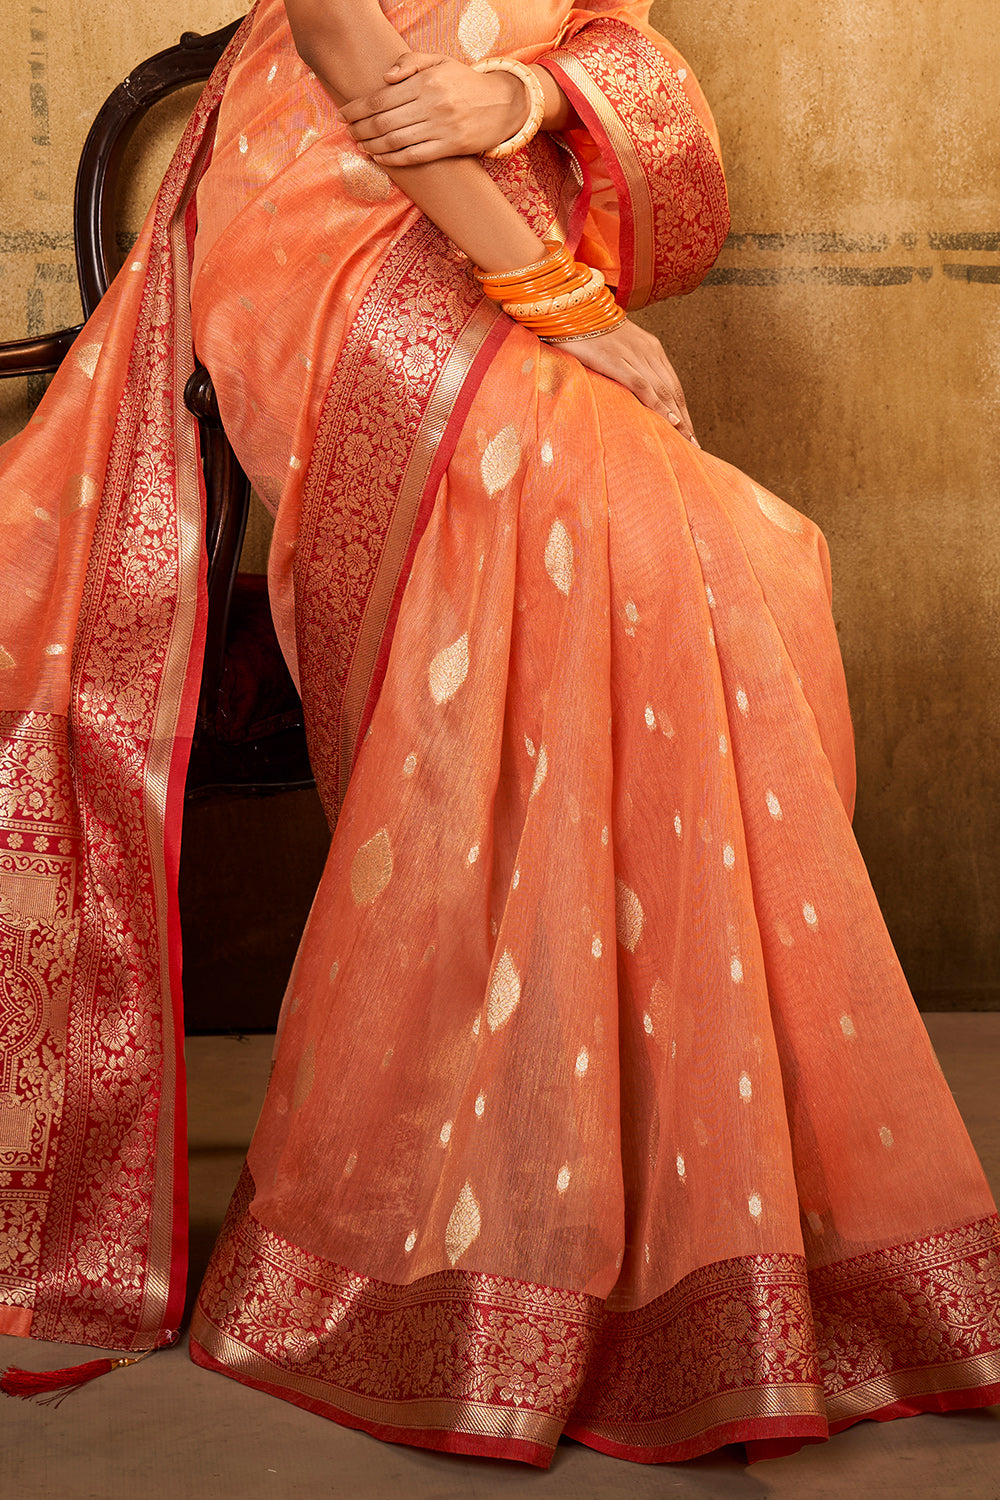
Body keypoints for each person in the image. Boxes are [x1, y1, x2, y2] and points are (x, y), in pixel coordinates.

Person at [1, 0, 998, 1469]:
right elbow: (355, 58)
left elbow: (608, 48)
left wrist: (523, 99)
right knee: (604, 508)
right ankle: (459, 1206)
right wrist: (560, 296)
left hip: (476, 185)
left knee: (726, 546)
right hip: (323, 220)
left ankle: (663, 1161)